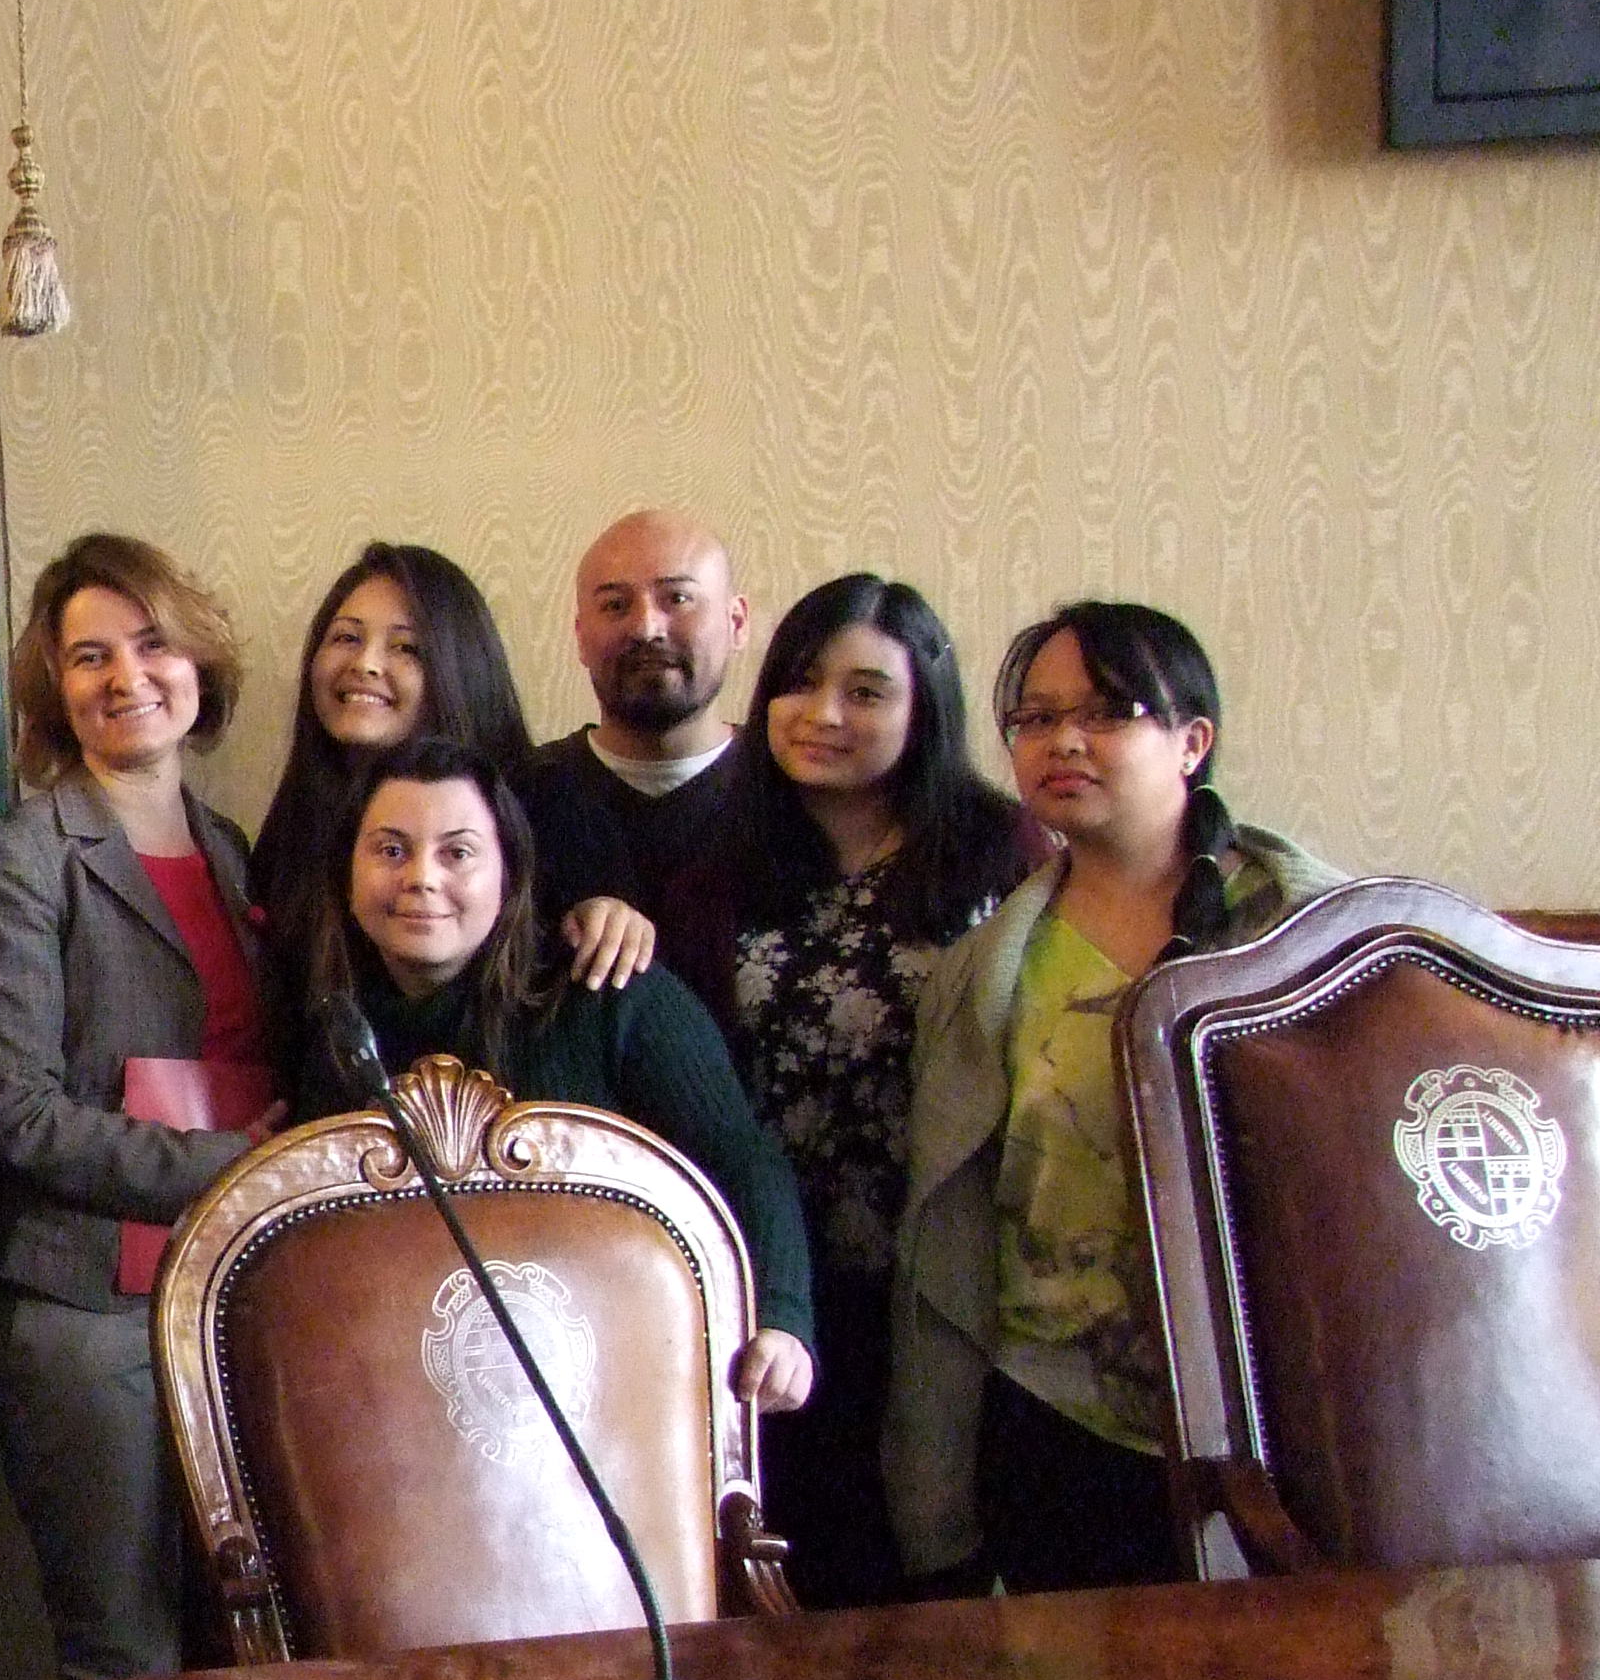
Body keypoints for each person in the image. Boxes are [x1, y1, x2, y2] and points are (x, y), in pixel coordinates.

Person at [890, 603, 1344, 1595]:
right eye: (1036, 718)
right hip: (1055, 1418)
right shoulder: (985, 972)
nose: (1063, 741)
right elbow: (956, 1240)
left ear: (1193, 741)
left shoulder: (1321, 940)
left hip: (1279, 1419)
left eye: (1105, 712)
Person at [0, 534, 281, 1680]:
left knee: (240, 1629)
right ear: (56, 691)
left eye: (150, 643)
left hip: (230, 1284)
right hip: (87, 1301)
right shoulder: (21, 861)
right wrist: (231, 1166)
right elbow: (20, 1114)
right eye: (88, 657)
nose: (126, 676)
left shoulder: (237, 854)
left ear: (197, 664)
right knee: (123, 1644)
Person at [699, 576, 1041, 1605]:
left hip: (943, 1280)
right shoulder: (726, 860)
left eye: (866, 692)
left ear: (923, 709)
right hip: (778, 1288)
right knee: (797, 1577)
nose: (825, 716)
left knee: (935, 1569)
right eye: (801, 685)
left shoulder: (1000, 855)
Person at [296, 738, 819, 1404]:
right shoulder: (337, 1036)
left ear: (509, 874)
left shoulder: (609, 992)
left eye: (457, 853)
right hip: (409, 1397)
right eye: (390, 850)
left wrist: (781, 1318)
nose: (421, 877)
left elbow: (741, 1158)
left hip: (615, 1381)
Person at [250, 538, 659, 998]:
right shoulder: (294, 828)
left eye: (406, 647)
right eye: (346, 638)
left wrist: (609, 917)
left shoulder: (545, 806)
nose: (365, 664)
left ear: (457, 668)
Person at [515, 509, 760, 1000]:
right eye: (615, 605)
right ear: (581, 637)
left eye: (678, 598)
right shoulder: (519, 797)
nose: (647, 627)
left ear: (736, 623)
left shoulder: (791, 789)